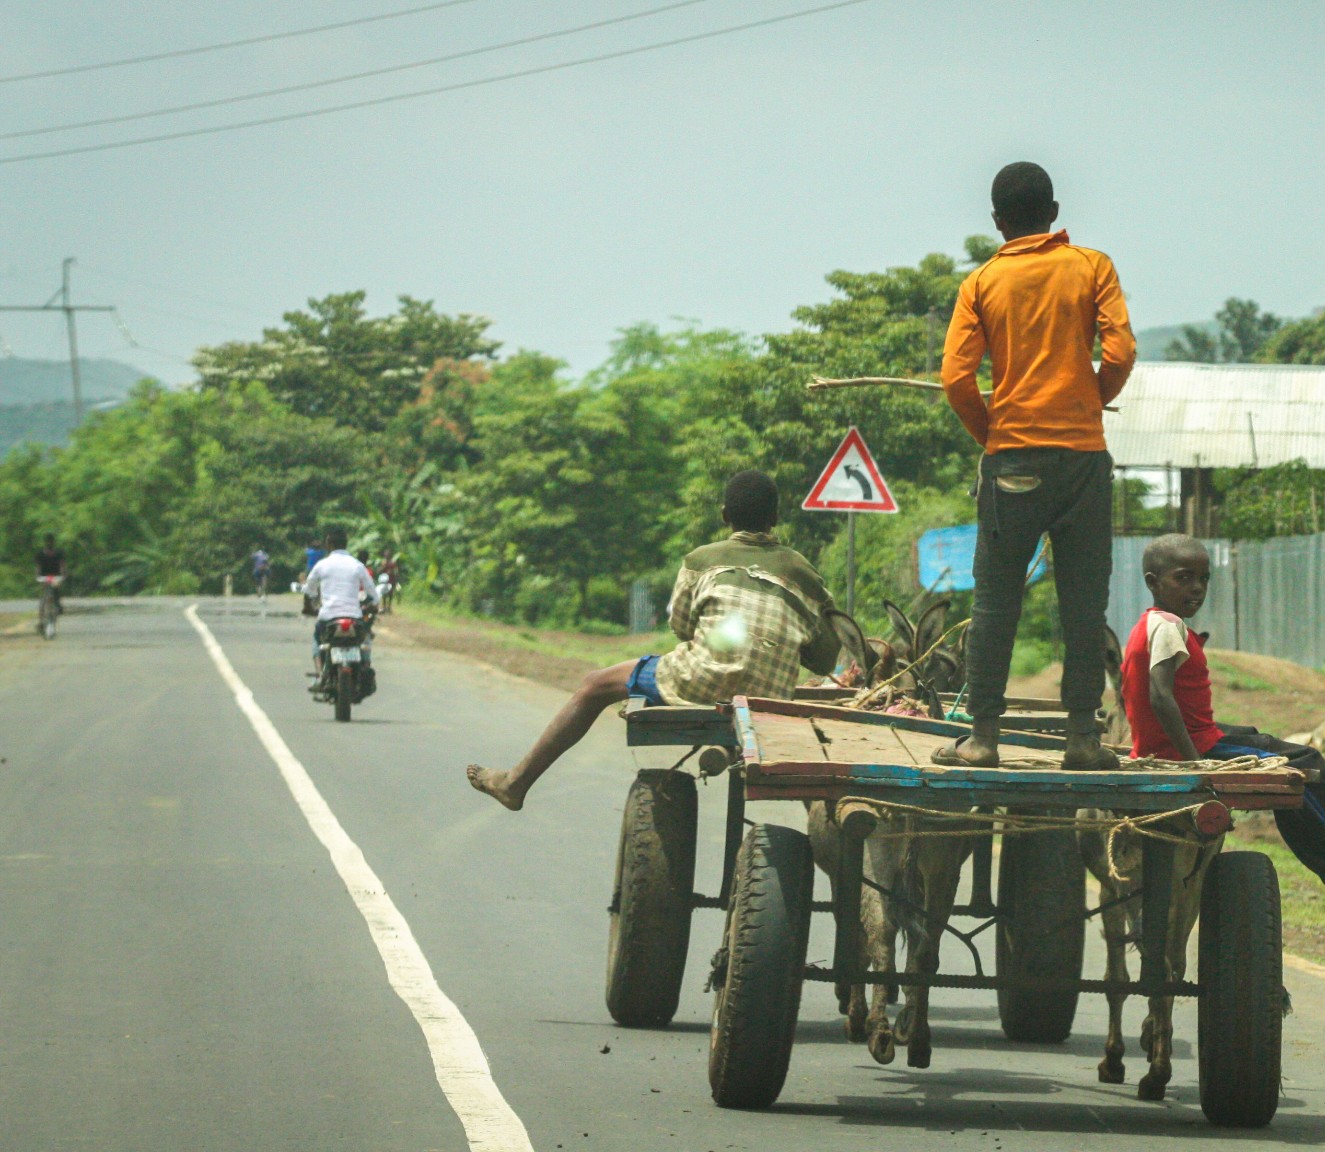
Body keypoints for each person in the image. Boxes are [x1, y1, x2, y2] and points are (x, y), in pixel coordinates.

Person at [467, 471, 842, 812]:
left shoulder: (701, 559)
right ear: (775, 518)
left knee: (594, 685)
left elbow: (681, 626)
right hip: (768, 698)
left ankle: (516, 783)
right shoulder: (805, 573)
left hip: (698, 682)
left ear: (725, 515)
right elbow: (825, 661)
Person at [934, 160, 1135, 772]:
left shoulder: (982, 283)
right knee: (1083, 602)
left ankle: (983, 738)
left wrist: (990, 432)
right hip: (1081, 460)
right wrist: (1090, 399)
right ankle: (1081, 738)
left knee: (996, 600)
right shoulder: (1091, 267)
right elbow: (1121, 351)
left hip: (1012, 461)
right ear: (1054, 213)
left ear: (998, 223)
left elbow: (954, 378)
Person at [1123, 534, 1325, 904]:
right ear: (1153, 582)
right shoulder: (1167, 626)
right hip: (1193, 746)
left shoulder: (1149, 624)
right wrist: (1193, 762)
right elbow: (1160, 695)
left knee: (1258, 740)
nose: (1196, 588)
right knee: (1301, 769)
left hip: (1186, 740)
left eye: (1203, 579)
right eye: (1183, 578)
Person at [304, 528, 381, 685]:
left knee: (317, 640)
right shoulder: (357, 565)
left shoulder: (322, 565)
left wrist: (309, 608)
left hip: (328, 617)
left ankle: (319, 675)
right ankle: (365, 665)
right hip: (354, 616)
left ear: (329, 545)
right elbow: (373, 593)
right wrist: (373, 606)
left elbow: (309, 590)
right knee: (364, 639)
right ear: (345, 545)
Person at [34, 535, 65, 614]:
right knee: (44, 592)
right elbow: (38, 565)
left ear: (53, 542)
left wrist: (62, 575)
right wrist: (37, 575)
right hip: (44, 576)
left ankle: (57, 604)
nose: (49, 543)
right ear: (45, 542)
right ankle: (42, 609)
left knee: (56, 589)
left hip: (55, 575)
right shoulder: (40, 553)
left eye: (51, 541)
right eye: (48, 541)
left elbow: (62, 565)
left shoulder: (58, 553)